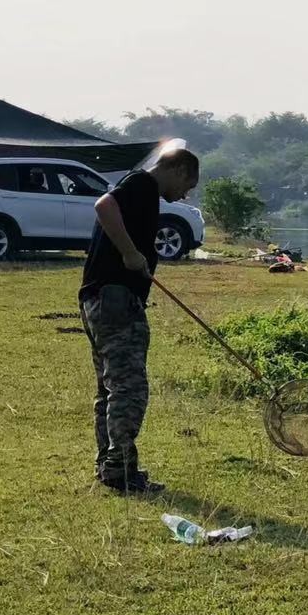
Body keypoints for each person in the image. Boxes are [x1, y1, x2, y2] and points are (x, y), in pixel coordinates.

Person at [79, 148, 200, 493]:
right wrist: (131, 253)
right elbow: (103, 206)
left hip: (99, 298)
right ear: (176, 169)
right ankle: (122, 470)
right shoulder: (143, 185)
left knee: (109, 387)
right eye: (187, 185)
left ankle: (111, 466)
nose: (185, 195)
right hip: (116, 299)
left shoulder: (141, 190)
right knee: (130, 387)